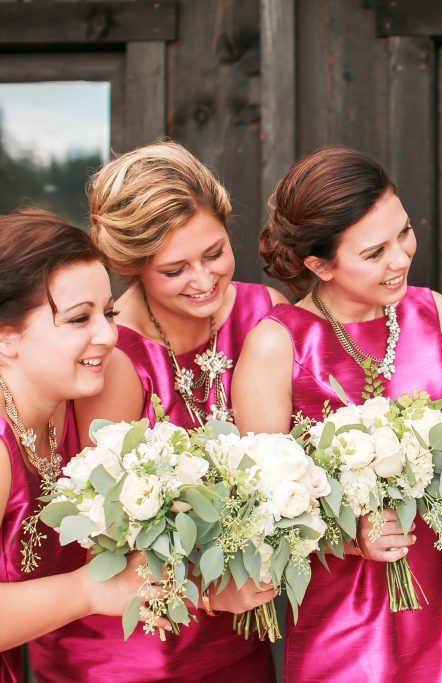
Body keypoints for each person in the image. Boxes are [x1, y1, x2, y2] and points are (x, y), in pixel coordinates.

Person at [232, 146, 442, 683]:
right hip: (348, 612)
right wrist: (350, 535)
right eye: (374, 253)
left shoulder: (437, 313)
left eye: (405, 233)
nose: (400, 258)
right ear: (317, 263)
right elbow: (262, 516)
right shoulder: (277, 346)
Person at [31, 142, 280, 683]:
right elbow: (109, 537)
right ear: (133, 266)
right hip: (128, 651)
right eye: (174, 269)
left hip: (238, 644)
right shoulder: (114, 358)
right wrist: (214, 590)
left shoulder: (267, 315)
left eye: (214, 253)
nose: (203, 279)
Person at [0, 210, 162, 682]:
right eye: (78, 319)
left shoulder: (77, 402)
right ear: (5, 336)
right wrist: (88, 592)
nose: (109, 336)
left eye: (109, 312)